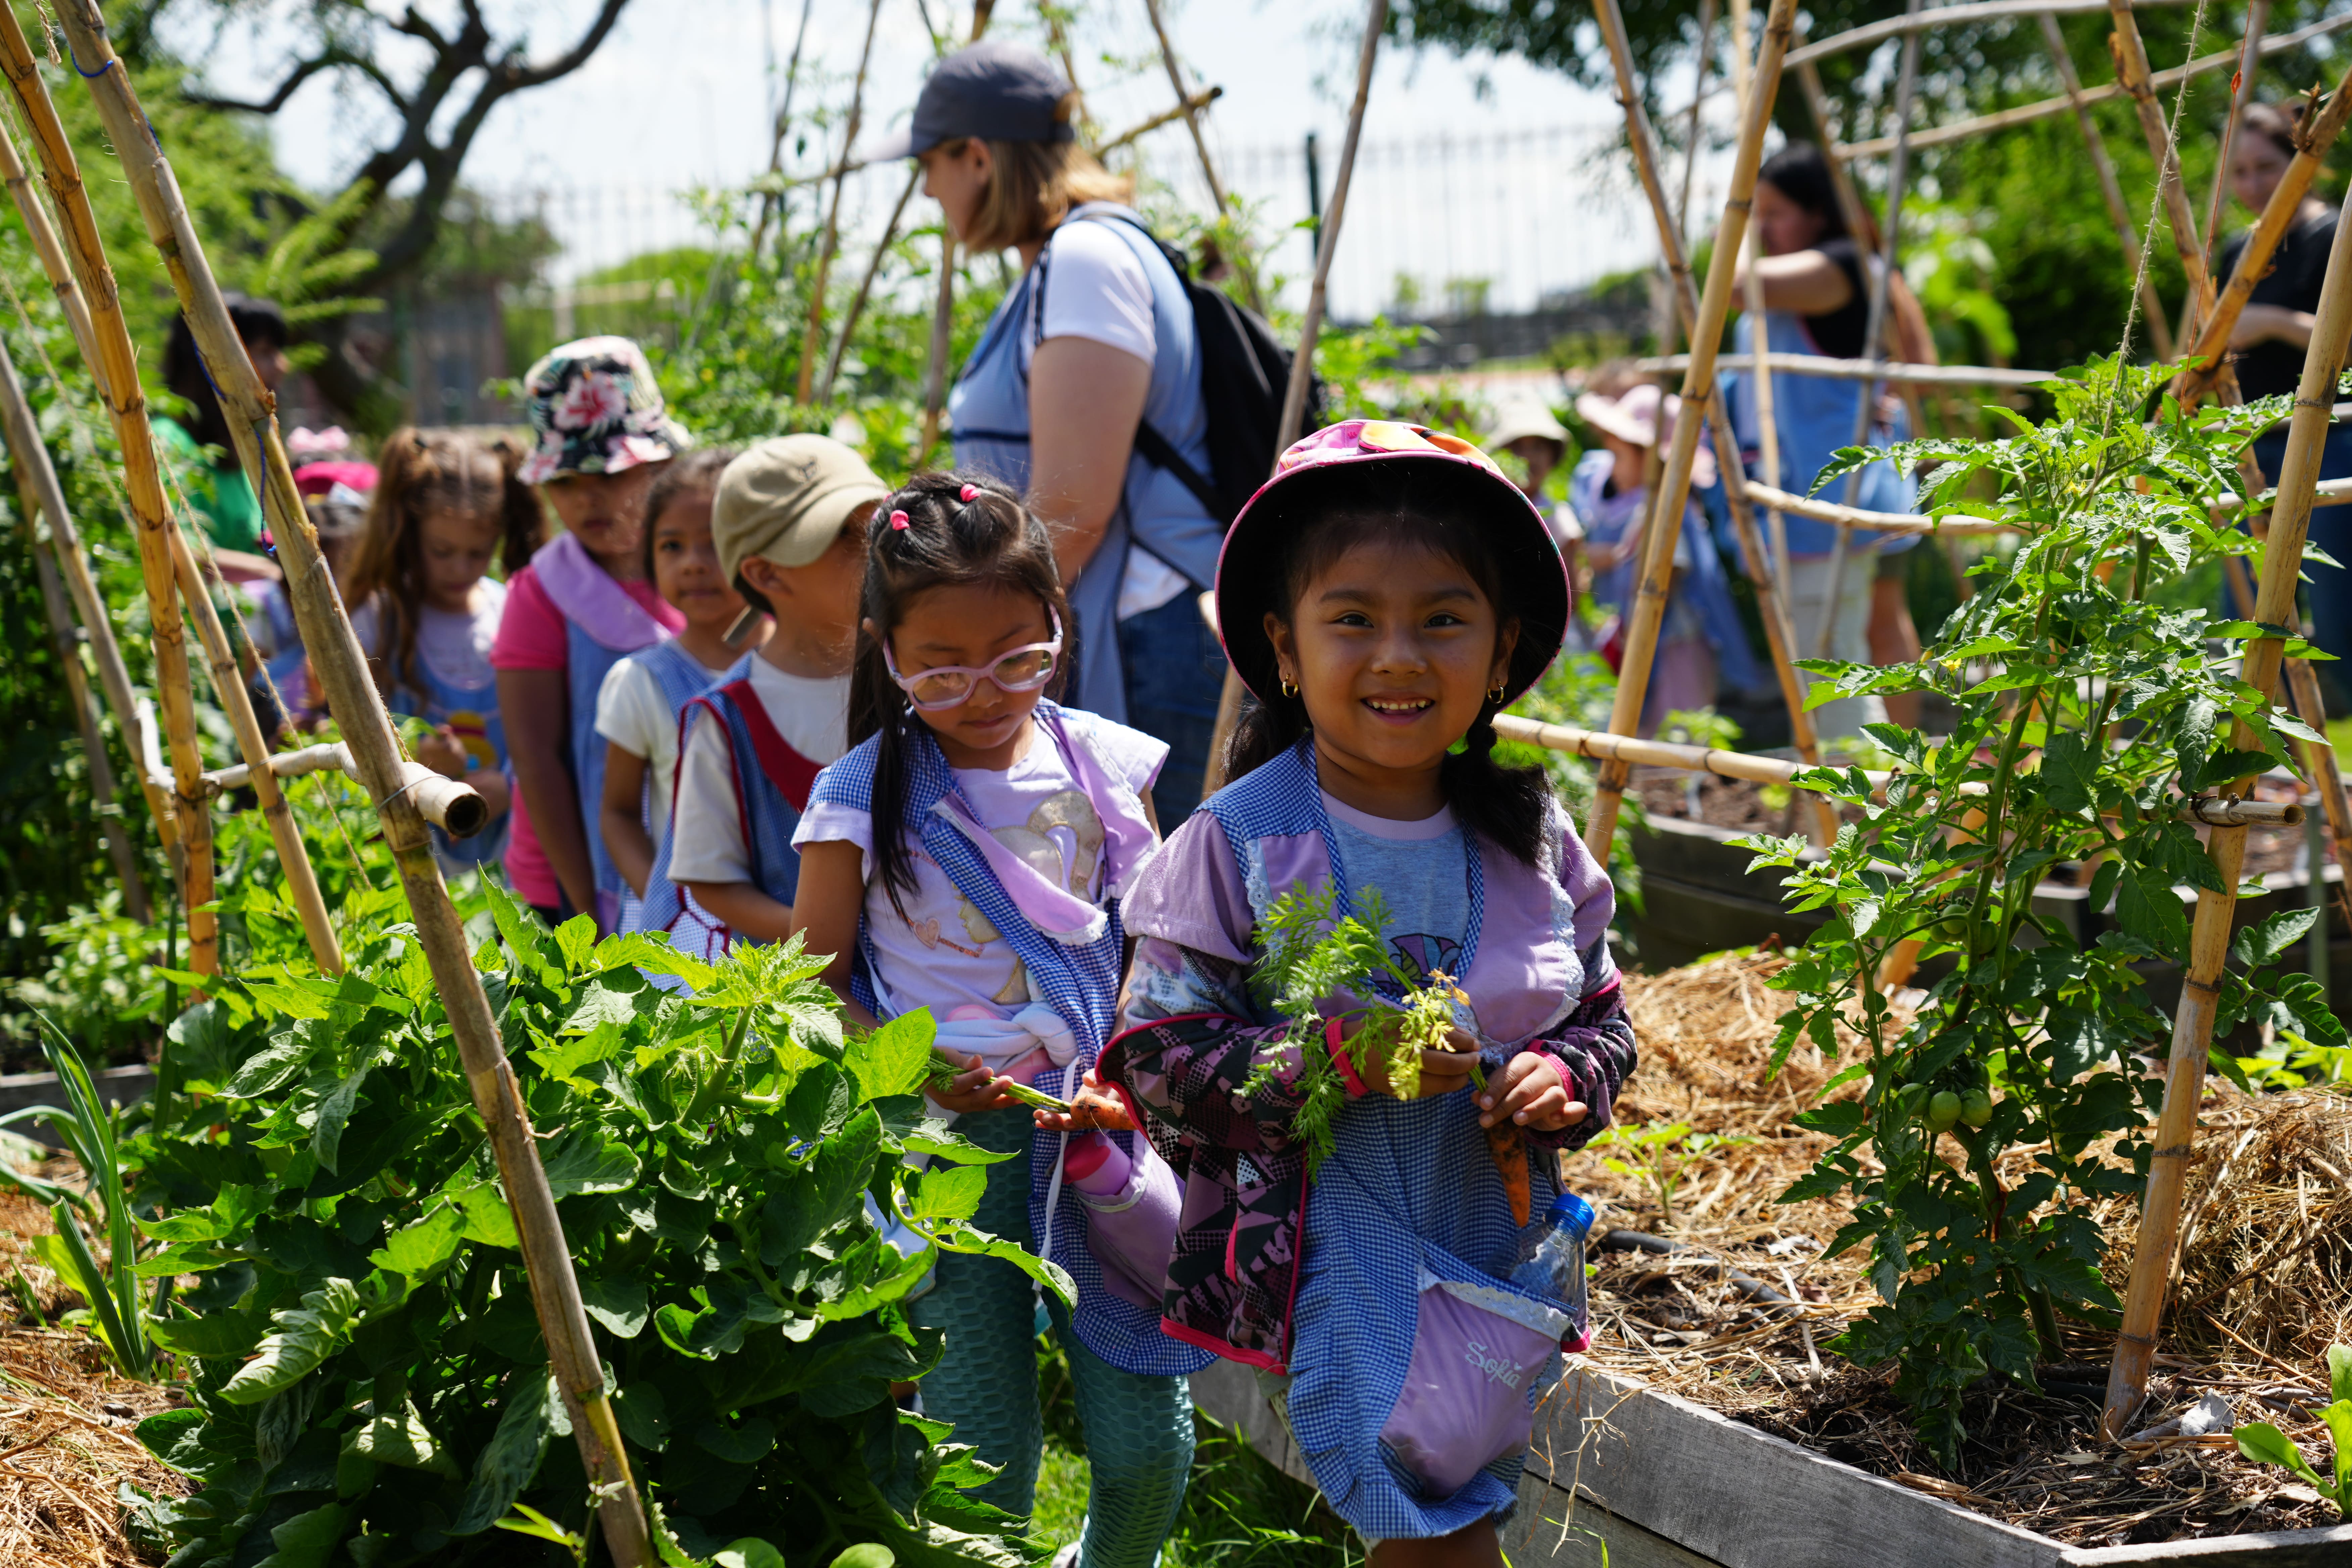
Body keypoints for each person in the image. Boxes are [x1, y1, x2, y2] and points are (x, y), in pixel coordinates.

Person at [1084, 421, 1635, 1560]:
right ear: (1283, 649)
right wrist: (1333, 1058)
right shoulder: (1238, 844)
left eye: (1442, 620)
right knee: (1425, 1523)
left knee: (1459, 1513)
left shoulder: (1531, 840)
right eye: (1352, 620)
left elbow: (1600, 1016)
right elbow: (1155, 1059)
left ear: (1500, 652)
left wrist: (1561, 1073)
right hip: (1338, 1249)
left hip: (1496, 1248)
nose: (1397, 656)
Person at [789, 471, 1208, 1568]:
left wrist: (1129, 1068)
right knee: (981, 1458)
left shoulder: (1102, 770)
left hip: (1097, 1133)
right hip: (949, 1151)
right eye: (942, 665)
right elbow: (815, 982)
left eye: (1018, 656)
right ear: (883, 648)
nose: (984, 689)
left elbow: (1154, 948)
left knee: (1148, 1453)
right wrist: (914, 1073)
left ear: (1057, 627)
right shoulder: (858, 795)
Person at [882, 40, 1228, 830]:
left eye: (928, 165)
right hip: (1130, 633)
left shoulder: (1083, 261)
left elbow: (1073, 507)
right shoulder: (1070, 261)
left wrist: (972, 646)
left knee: (1168, 928)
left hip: (1149, 640)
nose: (928, 190)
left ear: (975, 157)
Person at [636, 435, 884, 959]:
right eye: (846, 535)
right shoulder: (724, 720)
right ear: (766, 573)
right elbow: (711, 881)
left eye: (878, 523)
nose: (876, 548)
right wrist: (823, 938)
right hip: (799, 1009)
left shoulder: (914, 675)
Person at [1726, 141, 1935, 738]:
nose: (1761, 228)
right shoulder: (1867, 266)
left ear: (1817, 211)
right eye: (1755, 214)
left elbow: (1736, 285)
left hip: (1839, 496)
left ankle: (1866, 785)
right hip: (1855, 489)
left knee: (1833, 647)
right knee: (1876, 623)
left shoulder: (1838, 265)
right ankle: (1905, 764)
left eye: (1774, 213)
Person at [492, 336, 689, 930]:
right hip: (569, 871)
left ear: (663, 464)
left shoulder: (698, 574)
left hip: (680, 852)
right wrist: (584, 912)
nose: (589, 500)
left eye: (613, 475)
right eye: (568, 483)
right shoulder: (544, 593)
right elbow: (536, 758)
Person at [345, 429, 543, 875]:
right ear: (407, 532)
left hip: (508, 861)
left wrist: (511, 787)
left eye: (478, 553)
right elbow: (342, 738)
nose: (461, 568)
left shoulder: (511, 611)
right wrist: (413, 759)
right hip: (408, 866)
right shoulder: (380, 619)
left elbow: (547, 732)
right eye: (442, 551)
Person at [2219, 99, 2352, 679]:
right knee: (2246, 618)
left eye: (2265, 167)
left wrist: (2270, 322)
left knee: (2336, 609)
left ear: (2304, 162)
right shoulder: (2237, 251)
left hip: (2331, 440)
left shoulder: (2335, 237)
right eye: (2239, 172)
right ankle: (2277, 766)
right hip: (2252, 444)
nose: (2252, 184)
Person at [594, 446, 752, 929]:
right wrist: (667, 906)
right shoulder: (641, 682)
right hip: (691, 937)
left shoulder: (803, 668)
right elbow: (618, 813)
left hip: (796, 921)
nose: (693, 564)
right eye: (672, 546)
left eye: (715, 543)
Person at [1570, 383, 1761, 728]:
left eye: (1621, 457)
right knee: (1647, 726)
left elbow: (1668, 573)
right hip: (1642, 639)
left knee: (1677, 726)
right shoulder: (1629, 504)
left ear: (1651, 460)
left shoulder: (1667, 511)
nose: (1612, 468)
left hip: (1674, 640)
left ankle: (1683, 780)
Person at [156, 294, 290, 573]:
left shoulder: (243, 449)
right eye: (266, 352)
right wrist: (276, 574)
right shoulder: (167, 443)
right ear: (216, 362)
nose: (282, 366)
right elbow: (174, 550)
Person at [1484, 395, 1581, 605]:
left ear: (1552, 455)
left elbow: (1573, 594)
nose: (1528, 456)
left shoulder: (1558, 516)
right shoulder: (1486, 511)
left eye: (1538, 447)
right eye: (1517, 447)